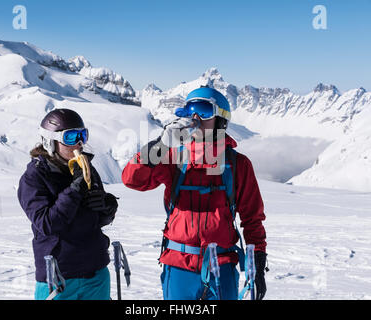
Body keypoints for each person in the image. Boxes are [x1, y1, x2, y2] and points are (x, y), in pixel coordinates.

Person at [122, 87, 267, 300]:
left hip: (222, 266)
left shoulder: (238, 164)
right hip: (179, 265)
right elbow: (132, 179)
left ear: (221, 120)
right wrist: (160, 146)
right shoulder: (172, 156)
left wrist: (258, 266)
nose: (195, 117)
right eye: (190, 110)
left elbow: (252, 219)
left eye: (203, 110)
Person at [18, 108, 118, 300]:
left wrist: (107, 207)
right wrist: (74, 191)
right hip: (59, 278)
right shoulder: (35, 177)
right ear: (50, 141)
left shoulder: (86, 168)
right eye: (71, 137)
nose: (79, 143)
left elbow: (96, 220)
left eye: (83, 135)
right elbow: (47, 224)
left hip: (95, 273)